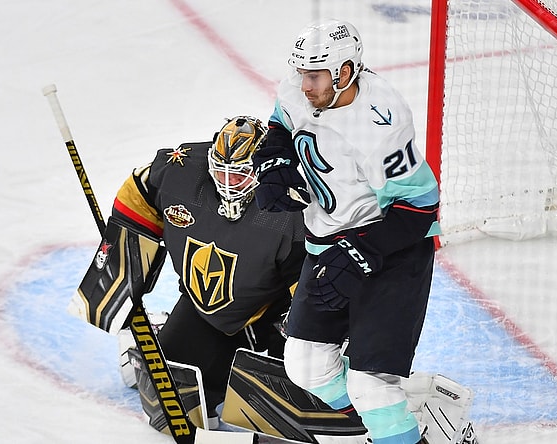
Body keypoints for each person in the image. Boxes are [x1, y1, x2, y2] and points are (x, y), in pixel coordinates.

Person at [252, 19, 442, 444]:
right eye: (301, 73)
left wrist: (360, 252)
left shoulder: (382, 123)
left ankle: (397, 424)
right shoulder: (296, 90)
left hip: (392, 252)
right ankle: (388, 424)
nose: (304, 84)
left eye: (314, 75)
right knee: (305, 366)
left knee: (369, 384)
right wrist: (274, 164)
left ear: (345, 72)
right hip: (328, 245)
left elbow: (419, 208)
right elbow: (281, 125)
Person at [84, 116, 306, 430]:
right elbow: (140, 193)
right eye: (221, 171)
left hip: (273, 317)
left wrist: (308, 334)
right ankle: (150, 339)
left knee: (291, 399)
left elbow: (311, 282)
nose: (228, 183)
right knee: (171, 399)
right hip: (205, 311)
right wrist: (124, 256)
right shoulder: (182, 173)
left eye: (240, 175)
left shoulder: (289, 205)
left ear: (259, 172)